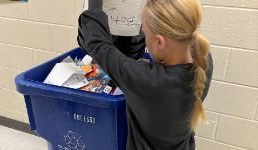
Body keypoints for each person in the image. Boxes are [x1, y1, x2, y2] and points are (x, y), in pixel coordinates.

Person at [77, 0, 213, 149]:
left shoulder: (146, 80)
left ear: (160, 42)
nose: (143, 37)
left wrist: (94, 5)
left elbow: (99, 46)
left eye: (144, 32)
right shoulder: (205, 62)